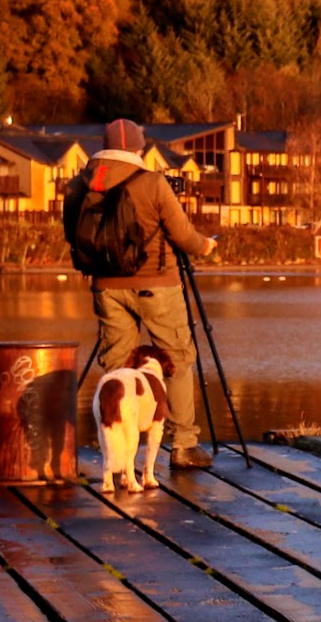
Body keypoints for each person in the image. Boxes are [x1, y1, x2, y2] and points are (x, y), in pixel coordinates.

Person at [62, 119, 219, 468]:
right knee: (176, 357)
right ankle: (183, 445)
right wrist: (206, 246)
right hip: (157, 285)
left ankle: (119, 448)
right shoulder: (152, 182)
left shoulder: (78, 184)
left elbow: (71, 235)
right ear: (137, 149)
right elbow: (183, 236)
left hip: (106, 286)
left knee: (118, 365)